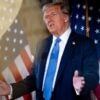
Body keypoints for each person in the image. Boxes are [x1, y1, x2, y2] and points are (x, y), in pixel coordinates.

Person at [0, 2, 99, 100]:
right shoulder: (42, 45)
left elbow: (93, 75)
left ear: (66, 17)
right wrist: (11, 89)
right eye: (45, 16)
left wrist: (82, 83)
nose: (48, 19)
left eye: (53, 14)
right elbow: (34, 79)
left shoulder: (84, 44)